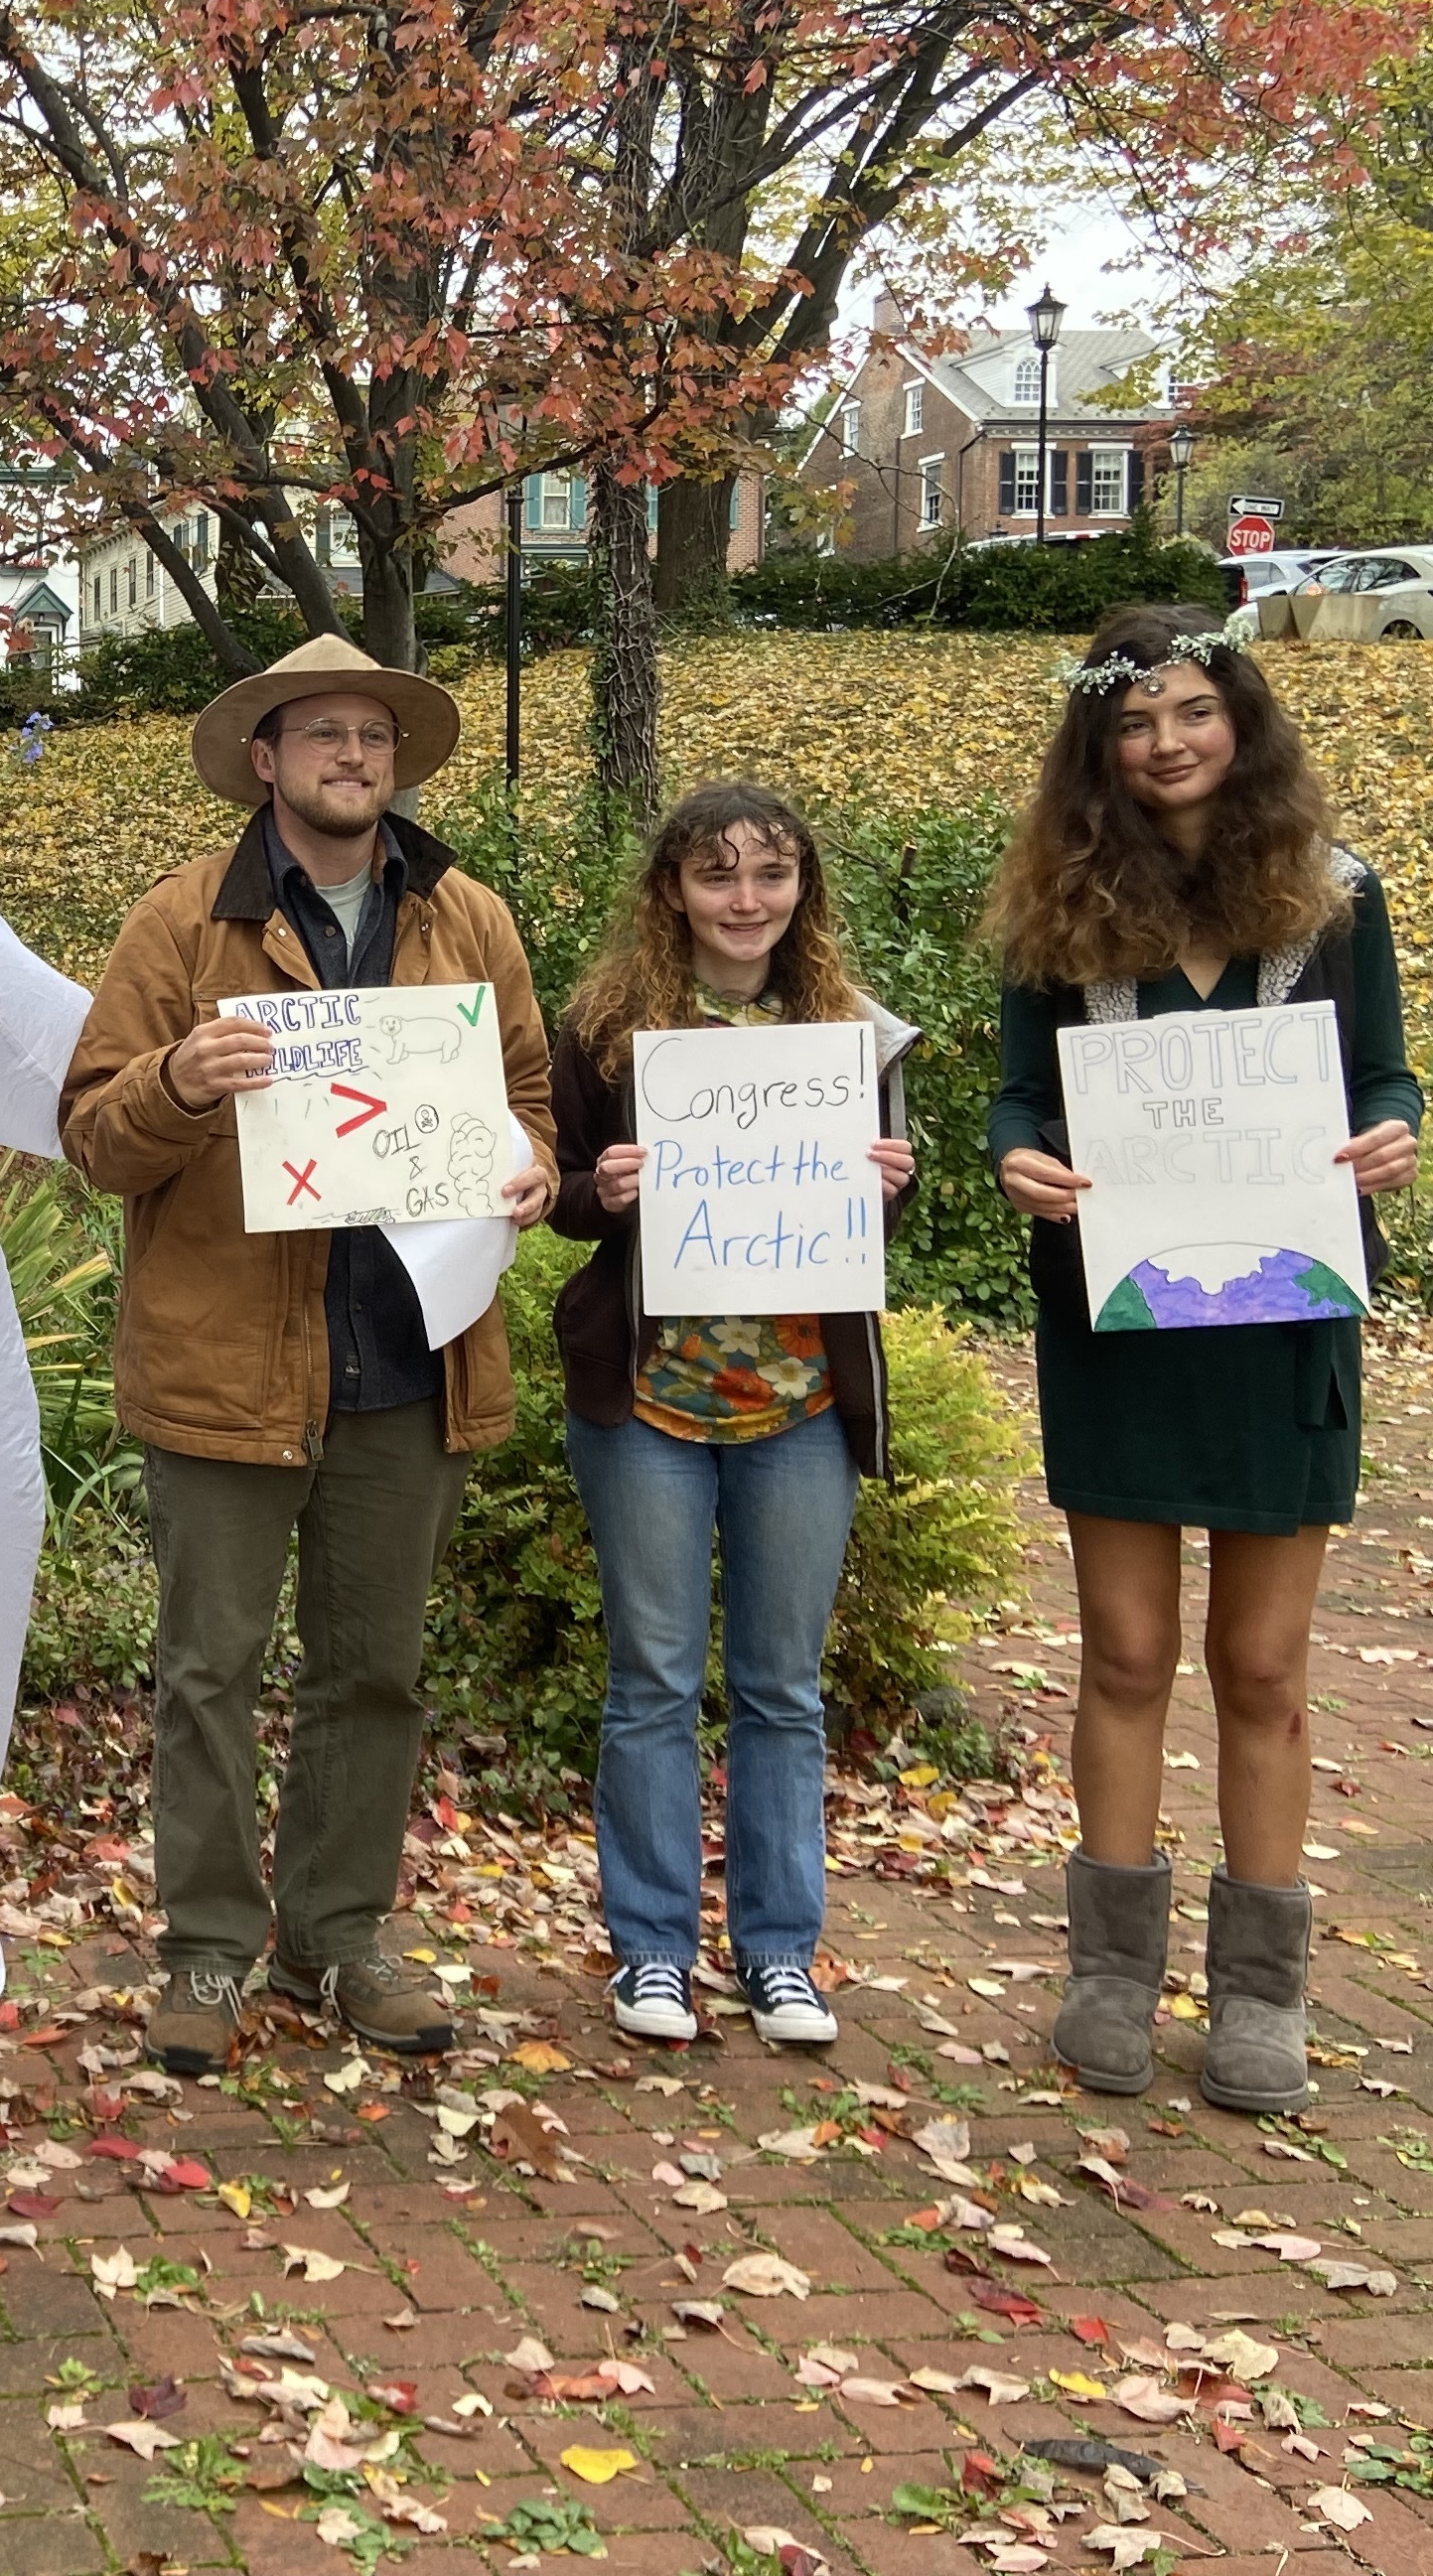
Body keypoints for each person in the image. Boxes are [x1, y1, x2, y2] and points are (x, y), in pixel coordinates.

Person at [60, 635, 557, 2075]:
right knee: (207, 1668)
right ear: (266, 761)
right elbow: (94, 1136)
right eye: (324, 734)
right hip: (228, 1359)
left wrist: (529, 1164)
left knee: (374, 1670)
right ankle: (207, 1952)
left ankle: (338, 1937)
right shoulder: (179, 926)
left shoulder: (468, 916)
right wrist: (175, 1080)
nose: (355, 757)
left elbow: (527, 1100)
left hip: (410, 1351)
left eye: (376, 737)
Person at [986, 604, 1421, 2112]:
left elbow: (1382, 1072)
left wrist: (1391, 1136)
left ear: (1240, 722)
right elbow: (1013, 1097)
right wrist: (1017, 1158)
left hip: (1281, 1317)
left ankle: (1260, 1988)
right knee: (1122, 1651)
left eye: (1192, 712)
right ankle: (1107, 1969)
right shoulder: (1060, 906)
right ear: (1098, 750)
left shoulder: (1337, 896)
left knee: (1262, 1664)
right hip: (1124, 1312)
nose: (1167, 743)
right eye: (1135, 722)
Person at [546, 782, 917, 2053]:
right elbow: (563, 1210)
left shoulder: (853, 1037)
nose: (745, 901)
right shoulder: (605, 1034)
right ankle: (651, 1950)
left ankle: (779, 1955)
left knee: (782, 1688)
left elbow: (864, 1233)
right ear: (672, 893)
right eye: (716, 876)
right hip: (650, 1398)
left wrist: (887, 1185)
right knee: (651, 1680)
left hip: (803, 1402)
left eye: (770, 874)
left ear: (803, 888)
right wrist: (602, 1187)